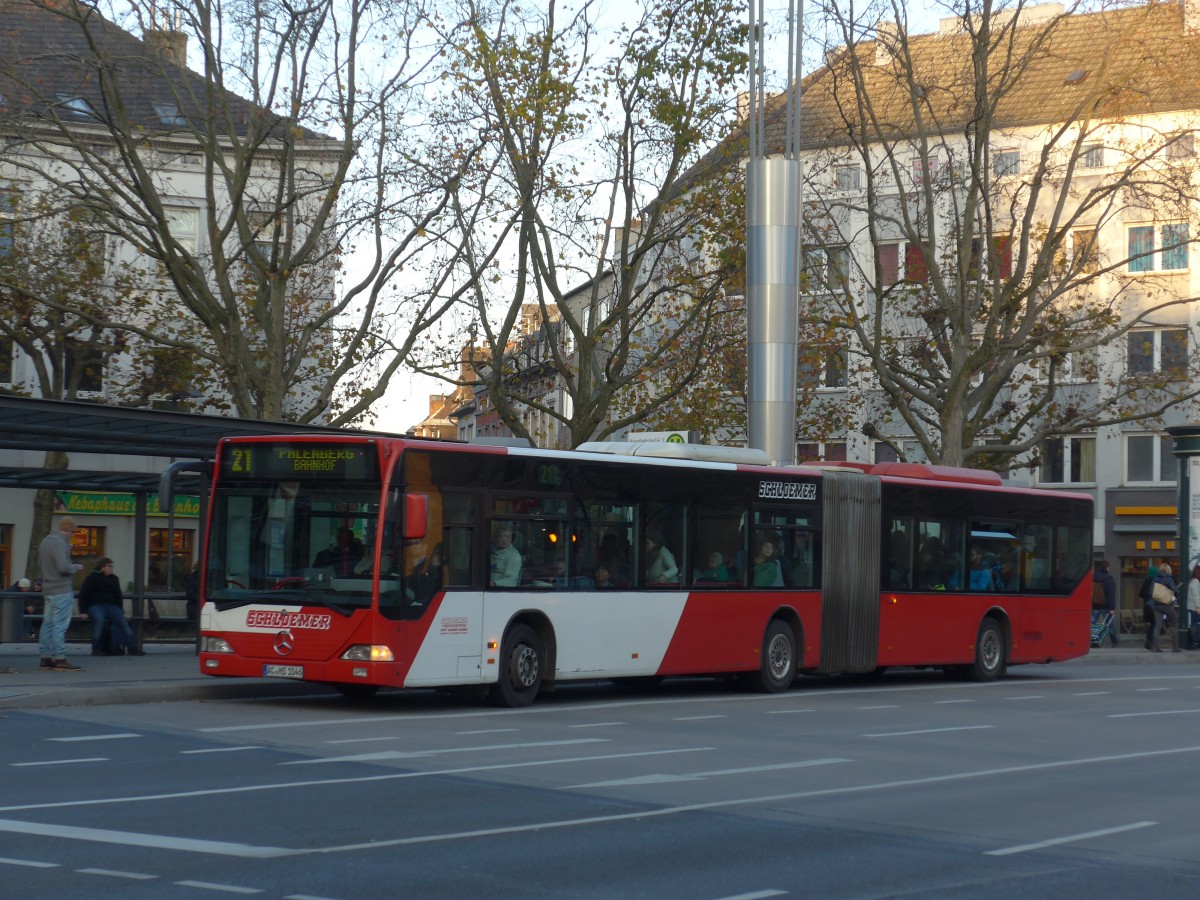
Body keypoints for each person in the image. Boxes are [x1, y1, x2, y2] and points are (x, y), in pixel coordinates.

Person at [38, 516, 84, 671]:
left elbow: (42, 564)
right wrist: (75, 567)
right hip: (61, 589)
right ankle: (60, 658)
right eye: (73, 532)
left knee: (47, 624)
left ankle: (45, 657)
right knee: (60, 625)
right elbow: (63, 568)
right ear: (70, 530)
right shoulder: (59, 543)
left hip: (48, 589)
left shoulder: (45, 541)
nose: (72, 535)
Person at [79, 557, 144, 657]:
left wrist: (122, 611)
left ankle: (133, 647)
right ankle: (96, 648)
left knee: (123, 622)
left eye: (112, 566)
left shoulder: (114, 579)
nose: (111, 568)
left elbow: (118, 596)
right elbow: (83, 594)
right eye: (109, 566)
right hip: (95, 605)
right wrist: (83, 611)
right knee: (99, 620)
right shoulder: (92, 578)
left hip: (111, 605)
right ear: (102, 567)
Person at [1149, 563, 1181, 652]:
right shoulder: (1169, 579)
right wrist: (1178, 594)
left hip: (1156, 605)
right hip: (1167, 604)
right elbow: (1175, 590)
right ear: (1168, 570)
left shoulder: (1155, 579)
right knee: (1174, 624)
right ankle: (1175, 647)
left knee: (1157, 626)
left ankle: (1156, 647)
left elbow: (1150, 591)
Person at [1092, 559, 1119, 648]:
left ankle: (1091, 640)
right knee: (1109, 625)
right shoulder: (1109, 579)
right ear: (1107, 568)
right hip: (1106, 606)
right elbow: (1111, 594)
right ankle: (1114, 641)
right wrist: (1112, 608)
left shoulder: (1093, 577)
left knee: (1091, 623)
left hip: (1094, 605)